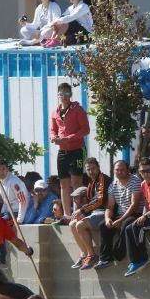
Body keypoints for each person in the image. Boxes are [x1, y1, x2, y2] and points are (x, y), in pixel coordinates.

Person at [93, 160, 143, 270]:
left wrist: (121, 220)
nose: (119, 172)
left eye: (122, 170)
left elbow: (134, 205)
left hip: (135, 213)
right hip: (121, 214)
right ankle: (105, 259)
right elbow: (110, 206)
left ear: (128, 170)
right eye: (117, 170)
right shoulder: (113, 185)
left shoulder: (135, 181)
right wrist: (107, 219)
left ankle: (118, 253)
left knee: (126, 223)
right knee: (103, 225)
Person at [50, 83, 90, 217]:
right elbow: (53, 130)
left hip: (77, 149)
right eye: (62, 94)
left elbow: (86, 129)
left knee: (76, 182)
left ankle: (78, 212)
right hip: (62, 151)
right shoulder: (55, 111)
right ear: (58, 95)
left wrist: (68, 138)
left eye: (67, 93)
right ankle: (67, 215)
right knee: (63, 183)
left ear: (70, 95)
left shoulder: (78, 109)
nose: (64, 96)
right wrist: (54, 137)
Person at [123, 158, 150, 276]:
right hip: (149, 215)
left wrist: (146, 216)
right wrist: (143, 216)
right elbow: (147, 204)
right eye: (142, 171)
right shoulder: (143, 184)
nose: (145, 174)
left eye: (147, 170)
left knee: (138, 227)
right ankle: (134, 260)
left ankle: (143, 258)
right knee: (128, 228)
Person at [68, 158, 109, 270]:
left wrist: (82, 210)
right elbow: (91, 201)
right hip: (94, 212)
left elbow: (100, 201)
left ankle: (91, 256)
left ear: (98, 167)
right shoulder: (92, 182)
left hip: (104, 212)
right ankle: (84, 254)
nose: (91, 171)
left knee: (80, 225)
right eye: (88, 169)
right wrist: (83, 211)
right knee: (72, 224)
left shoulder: (103, 179)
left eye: (93, 168)